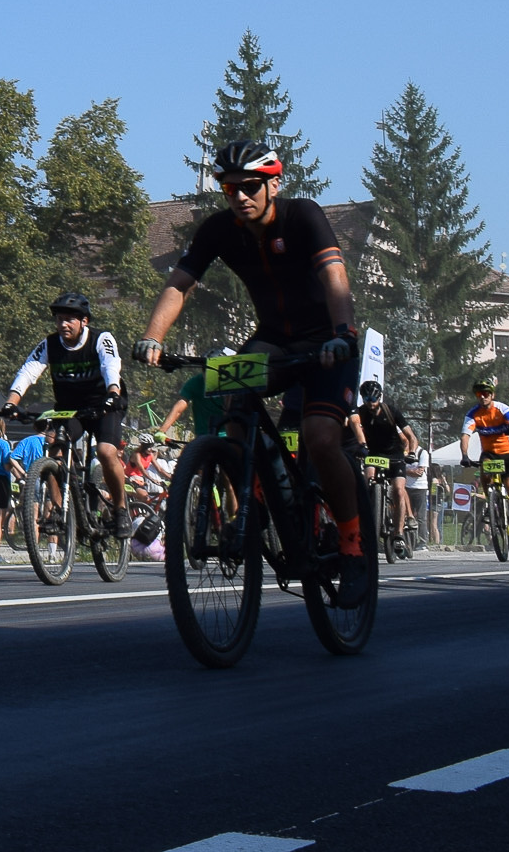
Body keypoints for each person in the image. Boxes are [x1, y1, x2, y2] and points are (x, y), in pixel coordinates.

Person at [138, 139, 373, 605]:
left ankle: (352, 545)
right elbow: (180, 283)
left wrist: (344, 333)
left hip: (327, 342)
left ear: (274, 184)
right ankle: (261, 499)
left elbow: (334, 276)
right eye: (230, 189)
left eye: (250, 186)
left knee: (320, 437)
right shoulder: (219, 229)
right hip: (273, 340)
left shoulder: (303, 216)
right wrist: (153, 337)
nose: (240, 196)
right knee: (233, 403)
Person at [4, 290, 130, 532]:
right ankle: (58, 510)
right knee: (54, 449)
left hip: (104, 405)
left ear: (84, 321)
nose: (63, 324)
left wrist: (113, 392)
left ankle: (120, 509)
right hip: (71, 409)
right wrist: (11, 402)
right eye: (59, 319)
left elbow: (110, 366)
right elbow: (28, 371)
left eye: (69, 319)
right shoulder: (50, 344)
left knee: (105, 452)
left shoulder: (101, 339)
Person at [0, 407, 46, 564]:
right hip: (0, 481)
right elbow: (8, 465)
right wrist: (20, 474)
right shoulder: (4, 444)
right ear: (2, 428)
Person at [354, 381, 419, 545]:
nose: (370, 402)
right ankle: (369, 516)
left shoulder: (391, 411)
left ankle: (399, 533)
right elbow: (352, 429)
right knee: (368, 482)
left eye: (373, 398)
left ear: (379, 397)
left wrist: (411, 453)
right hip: (373, 454)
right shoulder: (360, 413)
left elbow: (411, 437)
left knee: (398, 490)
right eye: (367, 399)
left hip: (394, 454)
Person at [462, 378, 509, 532]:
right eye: (479, 394)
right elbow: (465, 436)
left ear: (492, 395)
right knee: (484, 473)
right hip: (490, 454)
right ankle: (489, 502)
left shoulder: (502, 409)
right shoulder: (473, 414)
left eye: (485, 393)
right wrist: (464, 455)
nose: (482, 397)